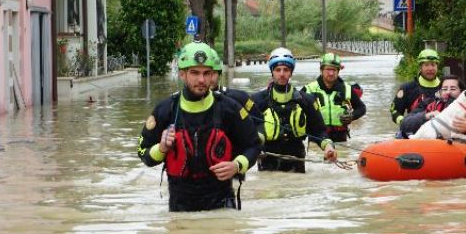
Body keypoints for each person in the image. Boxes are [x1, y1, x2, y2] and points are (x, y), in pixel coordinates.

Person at [137, 41, 261, 211]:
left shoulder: (229, 109)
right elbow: (143, 152)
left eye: (206, 73)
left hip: (222, 205)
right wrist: (162, 148)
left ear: (213, 75)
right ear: (182, 74)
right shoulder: (165, 110)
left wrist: (237, 165)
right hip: (180, 208)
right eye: (195, 73)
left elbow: (253, 145)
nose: (201, 79)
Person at [250, 47, 337, 172]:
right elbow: (245, 131)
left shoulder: (306, 100)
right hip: (267, 160)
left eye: (286, 70)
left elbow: (319, 131)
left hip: (296, 159)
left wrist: (328, 147)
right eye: (278, 70)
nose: (282, 74)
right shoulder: (257, 100)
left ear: (291, 72)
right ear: (272, 72)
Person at [399, 75, 466, 147]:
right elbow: (404, 124)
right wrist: (425, 116)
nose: (448, 92)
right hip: (427, 149)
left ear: (462, 92)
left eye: (453, 88)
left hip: (460, 152)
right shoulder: (428, 104)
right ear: (439, 92)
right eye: (444, 89)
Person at [301, 52, 366, 142]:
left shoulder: (347, 89)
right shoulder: (308, 89)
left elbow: (362, 108)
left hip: (340, 138)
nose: (331, 73)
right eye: (328, 69)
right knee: (315, 156)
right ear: (321, 70)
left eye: (334, 70)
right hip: (317, 140)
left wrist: (352, 116)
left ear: (338, 71)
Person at [389, 48, 442, 128]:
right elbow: (395, 111)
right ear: (420, 67)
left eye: (433, 65)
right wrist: (405, 122)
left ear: (437, 66)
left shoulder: (445, 87)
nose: (430, 69)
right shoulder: (407, 88)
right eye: (426, 65)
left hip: (440, 131)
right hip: (415, 132)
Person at [205, 47, 254, 114]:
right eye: (196, 73)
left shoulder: (241, 97)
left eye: (211, 73)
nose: (204, 79)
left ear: (219, 75)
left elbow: (258, 122)